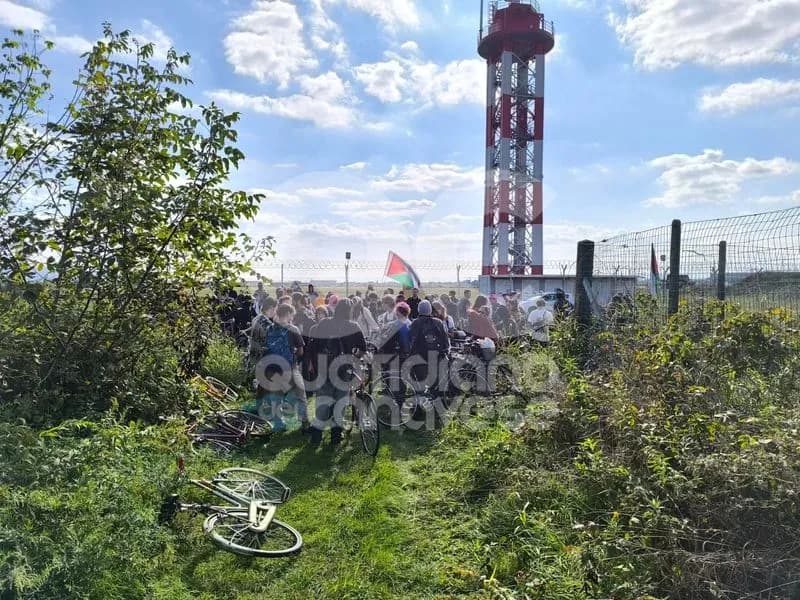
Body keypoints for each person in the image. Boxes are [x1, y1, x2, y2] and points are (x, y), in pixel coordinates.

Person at [307, 298, 366, 446]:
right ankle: (335, 435)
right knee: (340, 403)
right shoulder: (353, 326)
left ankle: (316, 435)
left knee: (322, 403)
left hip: (324, 368)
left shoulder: (325, 323)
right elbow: (363, 348)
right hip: (343, 370)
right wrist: (354, 357)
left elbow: (314, 346)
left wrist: (313, 364)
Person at [259, 303, 310, 433]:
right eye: (292, 315)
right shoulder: (293, 329)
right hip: (289, 368)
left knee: (276, 397)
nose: (292, 317)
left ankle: (279, 424)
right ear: (287, 314)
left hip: (272, 368)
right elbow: (301, 351)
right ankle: (304, 422)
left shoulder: (270, 328)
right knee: (300, 395)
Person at [408, 300, 450, 390]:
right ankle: (434, 396)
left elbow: (410, 341)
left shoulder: (415, 323)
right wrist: (445, 351)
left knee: (419, 382)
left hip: (419, 357)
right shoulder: (438, 322)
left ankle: (420, 399)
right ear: (430, 310)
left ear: (419, 310)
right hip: (436, 356)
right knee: (435, 382)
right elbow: (445, 340)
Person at [244, 296, 277, 370]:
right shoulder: (266, 323)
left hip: (253, 355)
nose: (275, 312)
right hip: (260, 359)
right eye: (275, 309)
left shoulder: (257, 318)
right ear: (271, 307)